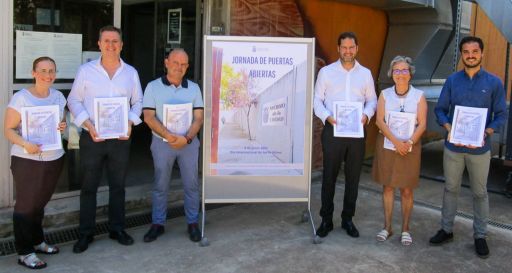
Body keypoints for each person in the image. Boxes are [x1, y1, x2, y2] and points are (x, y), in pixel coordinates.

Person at [67, 25, 143, 253]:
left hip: (120, 138)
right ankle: (85, 233)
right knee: (88, 187)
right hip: (93, 138)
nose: (111, 45)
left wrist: (130, 122)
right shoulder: (86, 71)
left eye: (115, 41)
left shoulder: (130, 73)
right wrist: (87, 124)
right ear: (99, 44)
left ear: (121, 45)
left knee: (118, 186)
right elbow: (73, 100)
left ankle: (117, 228)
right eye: (106, 41)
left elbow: (138, 101)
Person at [430, 36, 507, 258]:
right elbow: (440, 110)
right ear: (462, 55)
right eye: (466, 52)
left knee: (480, 193)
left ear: (481, 54)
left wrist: (487, 132)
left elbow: (501, 114)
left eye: (475, 51)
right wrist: (448, 126)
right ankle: (446, 229)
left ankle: (480, 235)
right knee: (450, 189)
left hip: (480, 149)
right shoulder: (453, 81)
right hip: (453, 147)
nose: (470, 55)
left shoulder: (494, 83)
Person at [313, 32, 377, 238]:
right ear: (338, 49)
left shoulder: (365, 74)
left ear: (357, 48)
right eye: (344, 48)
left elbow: (372, 100)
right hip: (333, 130)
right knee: (329, 176)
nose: (347, 51)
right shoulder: (326, 72)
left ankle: (348, 219)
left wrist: (366, 116)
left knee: (353, 178)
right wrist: (328, 117)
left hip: (357, 131)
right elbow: (317, 101)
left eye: (351, 47)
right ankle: (326, 219)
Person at [4, 57, 67, 269]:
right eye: (43, 70)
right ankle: (25, 252)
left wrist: (61, 126)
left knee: (39, 204)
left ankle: (38, 241)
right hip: (27, 159)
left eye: (51, 71)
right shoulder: (21, 98)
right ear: (33, 73)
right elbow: (8, 130)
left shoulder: (58, 97)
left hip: (54, 157)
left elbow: (61, 124)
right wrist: (25, 143)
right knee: (25, 205)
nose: (47, 75)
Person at [142, 48, 204, 243]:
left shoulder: (194, 88)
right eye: (176, 62)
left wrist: (186, 138)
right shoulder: (152, 87)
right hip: (162, 143)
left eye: (184, 64)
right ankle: (158, 224)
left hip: (189, 143)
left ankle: (193, 223)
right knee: (161, 185)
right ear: (166, 62)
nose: (180, 67)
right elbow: (149, 117)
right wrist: (169, 136)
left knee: (191, 185)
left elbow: (199, 118)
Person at [372, 56, 427, 246]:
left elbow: (422, 124)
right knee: (387, 187)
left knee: (406, 190)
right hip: (388, 146)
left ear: (410, 74)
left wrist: (408, 142)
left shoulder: (418, 96)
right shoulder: (385, 94)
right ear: (391, 74)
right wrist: (397, 142)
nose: (401, 74)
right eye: (397, 71)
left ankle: (405, 229)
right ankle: (387, 226)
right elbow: (380, 120)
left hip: (410, 148)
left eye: (404, 70)